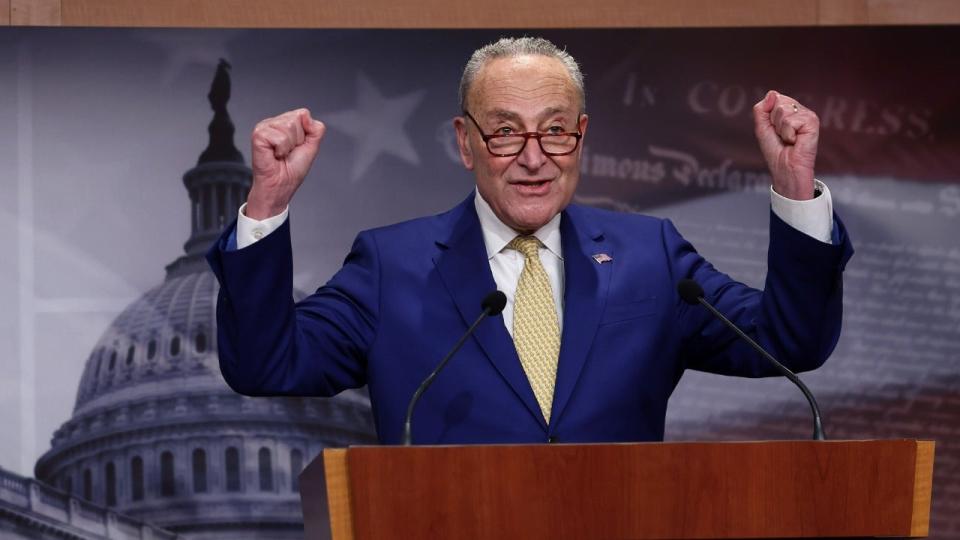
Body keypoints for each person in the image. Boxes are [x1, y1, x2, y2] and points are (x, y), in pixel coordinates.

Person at [206, 37, 853, 445]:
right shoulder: (390, 266)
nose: (534, 158)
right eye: (506, 132)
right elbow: (265, 363)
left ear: (582, 135)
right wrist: (267, 203)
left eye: (555, 131)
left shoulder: (649, 257)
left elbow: (789, 340)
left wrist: (795, 188)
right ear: (465, 142)